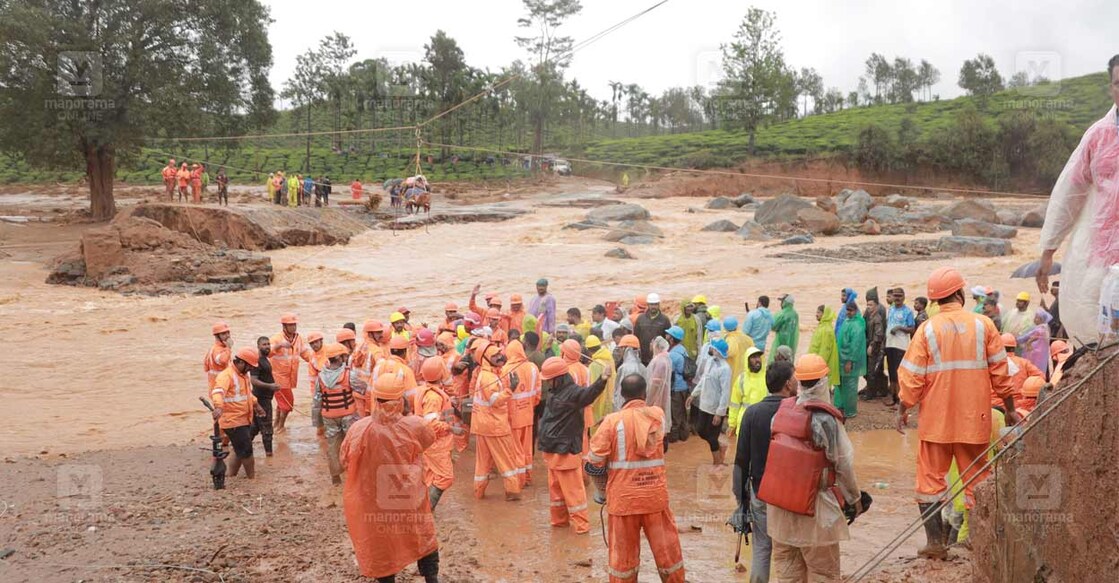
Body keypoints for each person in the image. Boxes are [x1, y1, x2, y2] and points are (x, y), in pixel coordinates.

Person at [898, 267, 1019, 560]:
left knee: (929, 483)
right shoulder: (984, 326)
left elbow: (912, 376)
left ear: (934, 300)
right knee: (977, 480)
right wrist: (1011, 409)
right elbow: (1001, 375)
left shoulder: (927, 329)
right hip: (973, 420)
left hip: (936, 422)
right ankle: (978, 541)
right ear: (960, 293)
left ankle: (936, 544)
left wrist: (903, 407)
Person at [1035, 56, 1119, 343]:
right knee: (1097, 326)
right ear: (1111, 88)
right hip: (1101, 251)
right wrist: (1048, 249)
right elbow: (1068, 193)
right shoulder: (1098, 136)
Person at [760, 354, 861, 582]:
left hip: (779, 510)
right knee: (823, 573)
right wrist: (855, 499)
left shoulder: (781, 412)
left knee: (787, 574)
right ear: (824, 382)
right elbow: (844, 464)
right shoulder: (826, 420)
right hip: (814, 511)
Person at [340, 372, 440, 583]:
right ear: (401, 400)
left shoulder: (358, 429)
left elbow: (344, 461)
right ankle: (431, 579)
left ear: (375, 399)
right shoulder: (415, 425)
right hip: (410, 498)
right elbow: (429, 440)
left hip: (374, 501)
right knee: (422, 537)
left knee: (382, 546)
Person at [588, 374, 685, 583]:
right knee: (669, 556)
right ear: (644, 393)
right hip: (655, 499)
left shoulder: (612, 422)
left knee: (623, 562)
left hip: (623, 502)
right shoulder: (658, 416)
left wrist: (602, 489)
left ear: (621, 395)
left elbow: (593, 461)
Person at [732, 360, 797, 583]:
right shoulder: (798, 411)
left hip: (760, 492)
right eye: (795, 377)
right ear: (788, 384)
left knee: (762, 547)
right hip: (792, 496)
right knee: (791, 551)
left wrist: (741, 499)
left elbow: (741, 460)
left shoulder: (752, 413)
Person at [538, 357, 611, 534]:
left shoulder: (573, 393)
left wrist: (602, 380)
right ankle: (559, 522)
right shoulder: (555, 391)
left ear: (558, 378)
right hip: (553, 450)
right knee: (556, 493)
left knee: (574, 494)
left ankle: (581, 527)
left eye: (549, 379)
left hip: (566, 451)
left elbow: (589, 394)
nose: (547, 382)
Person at [471, 342, 523, 500]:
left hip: (483, 426)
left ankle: (478, 493)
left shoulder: (488, 374)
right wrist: (510, 389)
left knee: (483, 464)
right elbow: (495, 401)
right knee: (507, 461)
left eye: (499, 353)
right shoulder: (488, 377)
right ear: (486, 359)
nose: (500, 356)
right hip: (495, 426)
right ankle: (513, 493)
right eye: (495, 355)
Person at [209, 347, 266, 480]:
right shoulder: (226, 375)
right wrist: (218, 407)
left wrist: (256, 405)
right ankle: (252, 478)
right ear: (241, 362)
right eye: (249, 366)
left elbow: (247, 394)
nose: (251, 369)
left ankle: (231, 475)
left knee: (238, 448)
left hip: (242, 419)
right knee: (246, 450)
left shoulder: (243, 375)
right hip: (233, 421)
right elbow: (217, 392)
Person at [313, 343, 360, 485]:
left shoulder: (320, 377)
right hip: (348, 415)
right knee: (352, 445)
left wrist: (317, 423)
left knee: (333, 446)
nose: (346, 358)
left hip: (329, 417)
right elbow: (362, 389)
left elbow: (317, 401)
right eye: (344, 356)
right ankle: (353, 473)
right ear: (339, 358)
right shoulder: (349, 375)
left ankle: (335, 477)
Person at [416, 357, 456, 509]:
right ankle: (426, 510)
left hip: (429, 443)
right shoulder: (433, 397)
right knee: (445, 478)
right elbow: (431, 424)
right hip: (437, 444)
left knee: (429, 478)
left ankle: (421, 508)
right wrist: (450, 428)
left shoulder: (426, 391)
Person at [502, 339, 541, 486]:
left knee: (516, 450)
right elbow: (538, 394)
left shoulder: (506, 369)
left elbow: (504, 395)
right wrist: (529, 405)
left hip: (513, 417)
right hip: (528, 415)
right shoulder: (533, 368)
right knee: (527, 449)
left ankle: (519, 480)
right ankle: (528, 476)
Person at [688, 338, 731, 465]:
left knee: (712, 437)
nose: (710, 349)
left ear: (717, 351)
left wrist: (720, 412)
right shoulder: (710, 362)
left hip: (715, 408)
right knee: (700, 430)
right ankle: (721, 446)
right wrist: (693, 394)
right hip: (704, 404)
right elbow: (703, 380)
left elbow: (725, 392)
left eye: (712, 348)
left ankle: (717, 463)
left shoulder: (725, 369)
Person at [270, 313, 314, 434]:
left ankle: (276, 426)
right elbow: (266, 353)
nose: (293, 327)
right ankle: (280, 427)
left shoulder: (298, 338)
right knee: (288, 404)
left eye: (294, 325)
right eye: (290, 325)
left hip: (290, 377)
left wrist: (317, 360)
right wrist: (279, 346)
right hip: (278, 377)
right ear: (284, 326)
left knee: (281, 404)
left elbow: (305, 353)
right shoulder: (276, 339)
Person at [885, 289, 917, 406]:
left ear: (904, 297)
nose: (897, 298)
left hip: (900, 345)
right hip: (889, 343)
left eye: (899, 296)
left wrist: (899, 328)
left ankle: (900, 399)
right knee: (891, 371)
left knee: (899, 373)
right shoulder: (891, 309)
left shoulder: (907, 311)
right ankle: (893, 397)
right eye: (895, 296)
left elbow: (912, 328)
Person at [727, 347, 767, 438]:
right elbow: (735, 403)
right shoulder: (741, 379)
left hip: (763, 423)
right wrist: (732, 424)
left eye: (758, 357)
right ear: (747, 360)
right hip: (744, 423)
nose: (757, 360)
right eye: (753, 357)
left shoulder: (768, 377)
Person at [249, 336, 279, 456]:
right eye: (264, 344)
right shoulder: (257, 361)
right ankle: (269, 454)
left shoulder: (265, 359)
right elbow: (253, 380)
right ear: (258, 346)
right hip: (261, 399)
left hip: (264, 398)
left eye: (268, 344)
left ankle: (241, 447)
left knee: (255, 426)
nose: (267, 346)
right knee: (267, 428)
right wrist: (270, 386)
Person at [837, 301, 867, 418]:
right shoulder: (847, 321)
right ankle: (842, 406)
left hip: (851, 360)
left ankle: (850, 411)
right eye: (847, 310)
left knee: (850, 385)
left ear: (855, 311)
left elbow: (855, 345)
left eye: (850, 310)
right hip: (842, 358)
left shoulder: (857, 325)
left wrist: (850, 361)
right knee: (841, 383)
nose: (848, 312)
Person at [999, 333, 1042, 411]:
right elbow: (1040, 377)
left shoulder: (993, 365)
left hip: (996, 407)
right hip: (1019, 407)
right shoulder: (1024, 363)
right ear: (1014, 348)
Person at [646, 337, 673, 449]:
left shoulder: (660, 361)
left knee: (657, 423)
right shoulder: (664, 358)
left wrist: (648, 402)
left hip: (657, 398)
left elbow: (655, 384)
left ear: (656, 345)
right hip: (661, 396)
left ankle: (660, 446)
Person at [586, 334, 617, 429]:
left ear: (588, 350)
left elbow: (593, 386)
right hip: (610, 399)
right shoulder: (609, 357)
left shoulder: (595, 364)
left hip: (599, 404)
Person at [665, 326, 690, 443]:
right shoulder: (682, 349)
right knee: (682, 412)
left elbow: (669, 371)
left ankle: (674, 438)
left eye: (668, 335)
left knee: (675, 413)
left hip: (676, 388)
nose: (666, 337)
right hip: (684, 386)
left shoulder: (672, 354)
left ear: (672, 339)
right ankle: (684, 435)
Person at [807, 306, 840, 392]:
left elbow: (825, 351)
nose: (816, 314)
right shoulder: (822, 327)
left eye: (818, 312)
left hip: (820, 367)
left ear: (824, 314)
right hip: (815, 364)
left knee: (822, 391)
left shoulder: (827, 330)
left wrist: (819, 366)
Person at [863, 290, 888, 400]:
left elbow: (879, 334)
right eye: (867, 304)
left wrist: (872, 345)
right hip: (872, 344)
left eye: (871, 305)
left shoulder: (877, 317)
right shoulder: (870, 315)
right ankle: (881, 390)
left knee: (871, 370)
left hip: (876, 346)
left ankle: (870, 394)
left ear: (876, 305)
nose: (868, 307)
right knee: (873, 370)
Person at [634, 293, 672, 365]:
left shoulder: (664, 320)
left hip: (659, 358)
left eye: (655, 304)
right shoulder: (640, 319)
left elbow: (668, 340)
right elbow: (636, 337)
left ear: (659, 305)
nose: (653, 306)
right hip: (643, 358)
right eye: (651, 304)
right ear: (648, 305)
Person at [1016, 309, 1053, 376]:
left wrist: (1016, 339)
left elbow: (1026, 336)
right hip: (1041, 354)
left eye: (1037, 318)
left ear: (1041, 320)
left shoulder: (1039, 330)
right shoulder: (1045, 328)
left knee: (1031, 368)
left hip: (1035, 354)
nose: (1034, 319)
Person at [722, 316, 754, 391]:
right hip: (746, 369)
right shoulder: (747, 338)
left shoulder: (730, 339)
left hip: (734, 370)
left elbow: (729, 352)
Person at [615, 335, 647, 410]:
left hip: (626, 411)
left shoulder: (624, 368)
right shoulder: (643, 367)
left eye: (620, 349)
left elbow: (619, 394)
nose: (620, 352)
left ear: (625, 349)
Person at [204, 321, 232, 390]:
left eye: (228, 332)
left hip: (222, 385)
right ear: (217, 336)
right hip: (219, 387)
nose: (228, 335)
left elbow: (206, 367)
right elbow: (223, 361)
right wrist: (228, 348)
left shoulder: (222, 348)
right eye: (224, 334)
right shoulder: (217, 349)